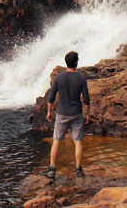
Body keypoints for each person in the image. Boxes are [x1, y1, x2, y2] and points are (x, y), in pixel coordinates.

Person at [42, 50, 90, 180]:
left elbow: (51, 97)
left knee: (56, 140)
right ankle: (78, 169)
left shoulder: (58, 77)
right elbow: (86, 99)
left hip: (62, 113)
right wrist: (87, 114)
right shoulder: (81, 78)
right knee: (78, 141)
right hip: (76, 113)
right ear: (76, 63)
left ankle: (52, 168)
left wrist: (49, 112)